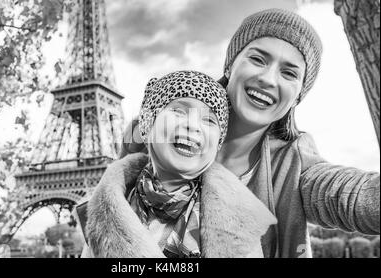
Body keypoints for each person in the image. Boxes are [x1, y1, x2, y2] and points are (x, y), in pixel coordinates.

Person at [119, 9, 380, 258]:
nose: (268, 79)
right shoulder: (157, 130)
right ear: (230, 66)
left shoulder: (294, 161)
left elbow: (346, 194)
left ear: (298, 95)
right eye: (258, 59)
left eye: (289, 73)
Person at [77, 70, 276, 258]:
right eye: (179, 111)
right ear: (148, 123)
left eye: (209, 120)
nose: (194, 125)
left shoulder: (240, 225)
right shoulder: (100, 215)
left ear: (217, 144)